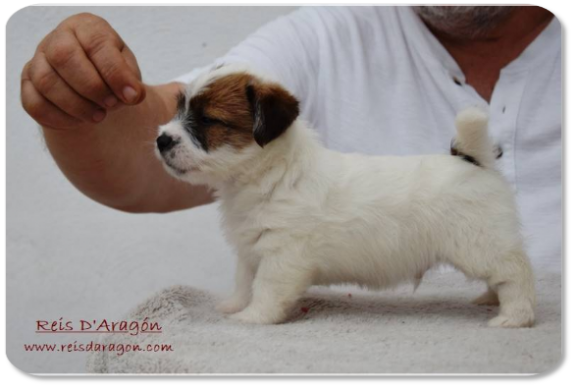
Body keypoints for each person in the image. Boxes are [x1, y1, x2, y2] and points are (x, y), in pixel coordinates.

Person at [20, 6, 560, 270]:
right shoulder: (326, 32)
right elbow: (143, 161)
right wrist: (86, 99)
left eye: (204, 121)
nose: (171, 134)